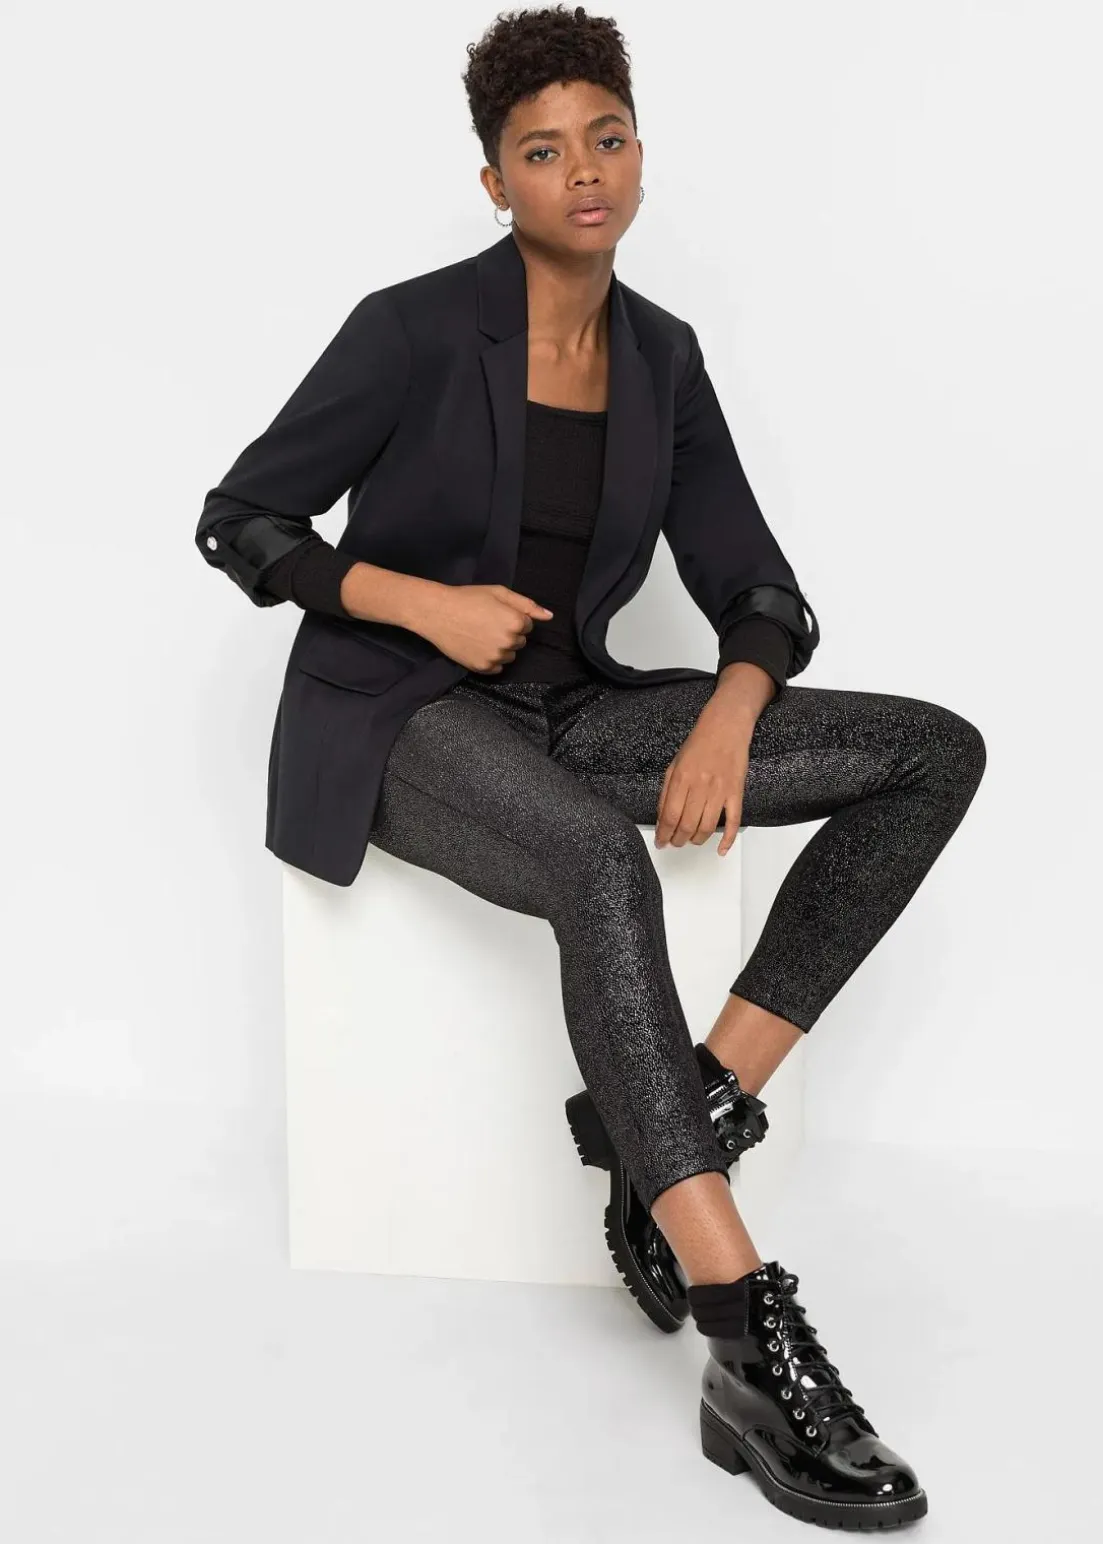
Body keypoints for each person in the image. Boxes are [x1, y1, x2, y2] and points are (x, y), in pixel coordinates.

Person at [195, 7, 985, 1528]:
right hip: (398, 714)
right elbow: (242, 521)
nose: (583, 174)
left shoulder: (661, 357)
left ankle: (683, 1109)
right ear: (495, 181)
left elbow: (756, 580)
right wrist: (413, 599)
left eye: (606, 140)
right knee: (594, 861)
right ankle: (743, 1334)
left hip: (572, 708)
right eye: (543, 151)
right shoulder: (413, 330)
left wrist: (732, 707)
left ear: (638, 152)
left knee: (927, 755)